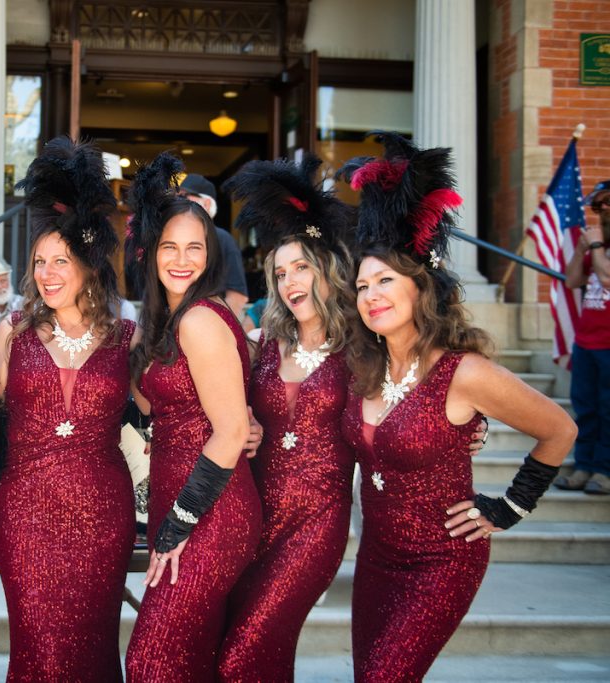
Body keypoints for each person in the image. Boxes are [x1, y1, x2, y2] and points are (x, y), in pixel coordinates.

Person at [337, 132, 576, 681]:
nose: (370, 294)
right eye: (362, 284)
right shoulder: (364, 369)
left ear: (420, 288)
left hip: (440, 560)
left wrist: (510, 507)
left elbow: (560, 428)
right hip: (374, 558)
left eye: (386, 281)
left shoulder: (463, 372)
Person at [0, 138, 136, 682]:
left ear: (90, 264)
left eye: (63, 261)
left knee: (93, 648)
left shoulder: (127, 339)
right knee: (39, 650)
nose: (48, 273)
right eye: (39, 262)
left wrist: (249, 422)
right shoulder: (13, 331)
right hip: (25, 511)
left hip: (104, 514)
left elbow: (170, 408)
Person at [216, 156, 358, 682]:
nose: (289, 280)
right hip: (254, 516)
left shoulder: (362, 349)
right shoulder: (265, 346)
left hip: (316, 523)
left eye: (301, 267)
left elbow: (409, 399)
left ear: (328, 270)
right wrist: (247, 423)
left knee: (241, 656)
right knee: (260, 650)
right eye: (279, 272)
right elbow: (228, 406)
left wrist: (470, 428)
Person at [124, 153, 261, 682]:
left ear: (211, 255)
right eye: (169, 247)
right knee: (187, 659)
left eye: (194, 248)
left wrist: (177, 526)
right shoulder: (164, 321)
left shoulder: (202, 318)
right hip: (177, 501)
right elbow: (146, 409)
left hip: (210, 514)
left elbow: (229, 433)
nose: (182, 260)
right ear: (151, 252)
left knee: (150, 661)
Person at [558, 179, 610, 495]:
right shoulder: (597, 245)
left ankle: (604, 470)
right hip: (586, 342)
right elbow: (572, 280)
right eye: (597, 204)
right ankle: (584, 465)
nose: (600, 209)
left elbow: (606, 279)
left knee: (608, 409)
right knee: (586, 407)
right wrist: (581, 251)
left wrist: (596, 247)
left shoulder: (601, 247)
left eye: (606, 203)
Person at [178, 172, 249, 320]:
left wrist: (217, 326)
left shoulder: (222, 239)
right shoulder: (172, 236)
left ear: (207, 204)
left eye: (185, 197)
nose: (178, 202)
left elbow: (238, 295)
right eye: (177, 197)